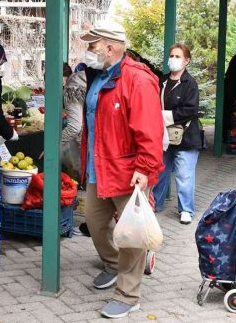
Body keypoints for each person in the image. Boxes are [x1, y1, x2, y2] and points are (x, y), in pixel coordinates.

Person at [80, 24, 164, 319]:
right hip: (98, 168)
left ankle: (128, 295)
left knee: (131, 233)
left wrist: (144, 168)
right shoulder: (102, 76)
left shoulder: (137, 79)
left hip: (128, 171)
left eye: (92, 45)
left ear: (110, 47)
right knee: (93, 220)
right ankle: (114, 264)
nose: (88, 51)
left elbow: (150, 131)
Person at [152, 43, 201, 224]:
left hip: (186, 136)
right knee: (160, 171)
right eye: (172, 56)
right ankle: (154, 203)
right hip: (163, 135)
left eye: (178, 56)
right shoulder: (162, 81)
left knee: (184, 175)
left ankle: (186, 209)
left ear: (186, 61)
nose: (173, 60)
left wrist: (165, 115)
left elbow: (191, 110)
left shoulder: (190, 84)